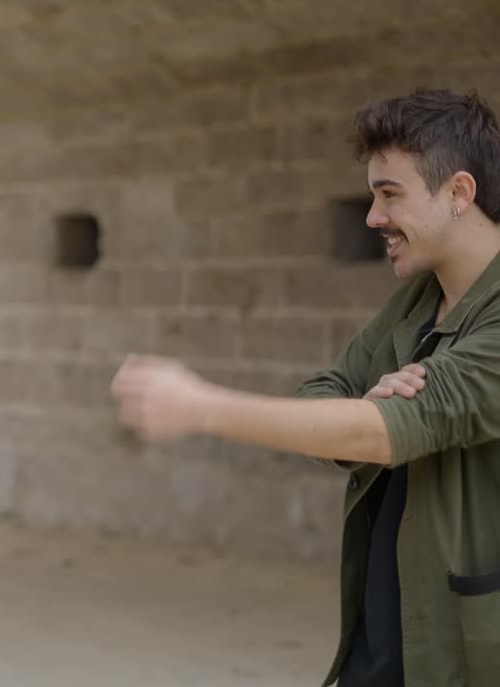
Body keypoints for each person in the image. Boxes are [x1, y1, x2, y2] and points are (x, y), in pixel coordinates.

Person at [111, 89, 500, 686]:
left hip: (465, 654)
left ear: (459, 193)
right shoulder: (417, 302)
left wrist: (200, 406)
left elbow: (394, 432)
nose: (372, 217)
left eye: (389, 193)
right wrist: (364, 418)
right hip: (384, 642)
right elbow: (325, 393)